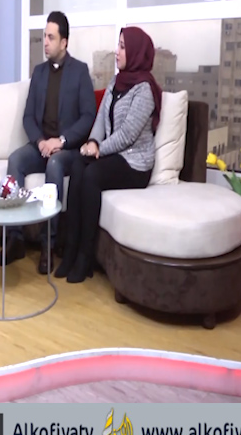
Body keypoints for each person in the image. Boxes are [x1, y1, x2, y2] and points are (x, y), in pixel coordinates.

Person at [55, 26, 163, 283]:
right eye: (118, 45)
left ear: (135, 53)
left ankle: (86, 256)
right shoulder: (117, 81)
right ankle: (70, 249)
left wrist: (99, 149)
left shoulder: (144, 90)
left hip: (135, 164)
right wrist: (93, 141)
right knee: (78, 165)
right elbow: (101, 118)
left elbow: (127, 135)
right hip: (115, 155)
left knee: (92, 175)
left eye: (123, 47)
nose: (117, 51)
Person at [0, 11, 96, 274]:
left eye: (51, 38)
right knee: (16, 160)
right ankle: (15, 238)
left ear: (64, 42)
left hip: (66, 150)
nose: (46, 43)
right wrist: (40, 141)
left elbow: (88, 117)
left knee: (55, 164)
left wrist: (60, 141)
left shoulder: (80, 71)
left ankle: (48, 245)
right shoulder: (38, 73)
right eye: (44, 37)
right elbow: (28, 117)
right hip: (41, 147)